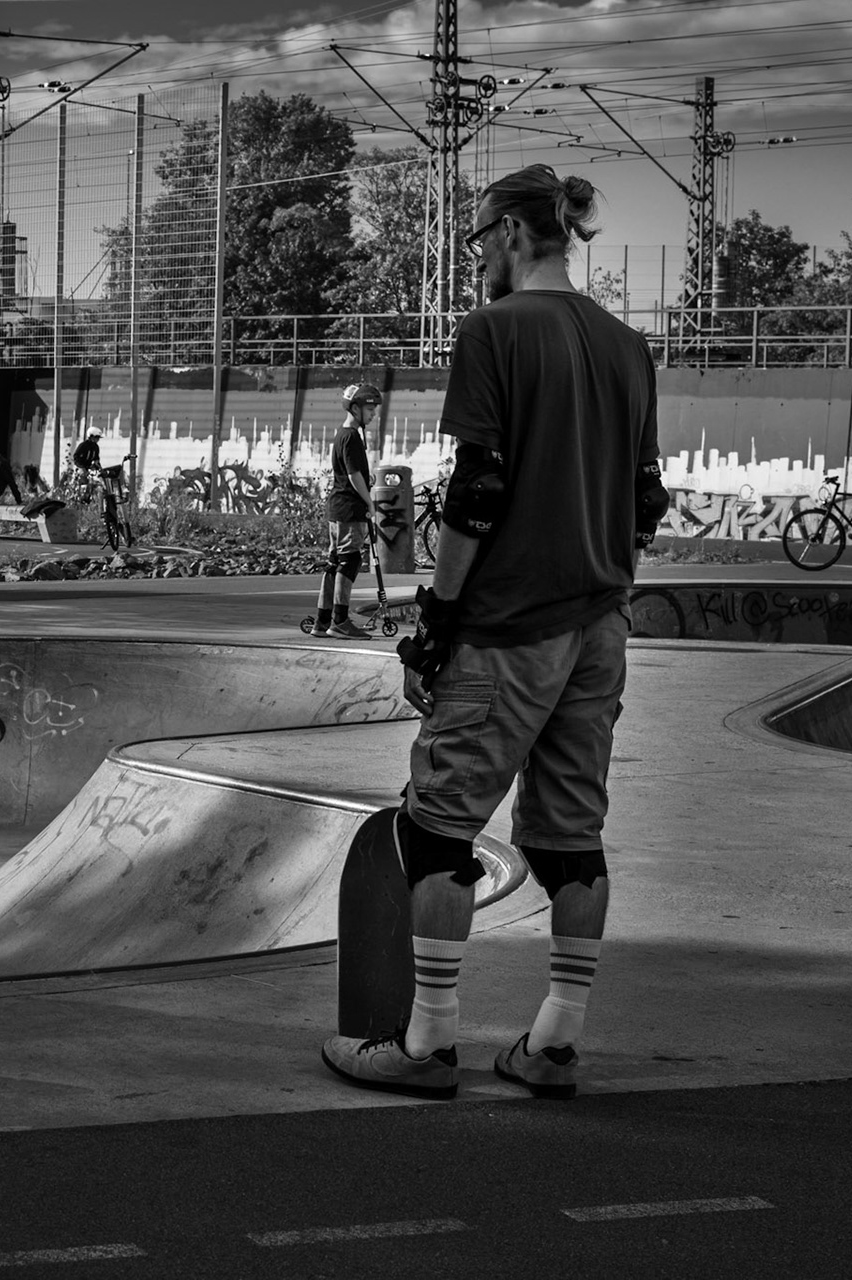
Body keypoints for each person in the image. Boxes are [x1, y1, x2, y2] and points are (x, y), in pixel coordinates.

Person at [321, 164, 664, 1103]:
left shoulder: (494, 332)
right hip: (602, 627)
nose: (475, 257)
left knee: (437, 827)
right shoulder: (630, 346)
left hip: (510, 623)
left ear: (515, 233)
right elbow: (645, 501)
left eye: (479, 238)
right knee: (570, 838)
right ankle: (554, 1042)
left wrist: (436, 620)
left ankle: (428, 1043)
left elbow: (478, 491)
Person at [318, 383, 383, 639]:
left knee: (334, 562)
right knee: (350, 561)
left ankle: (323, 621)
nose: (373, 414)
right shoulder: (352, 436)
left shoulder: (343, 434)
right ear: (355, 408)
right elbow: (354, 475)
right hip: (349, 509)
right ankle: (340, 621)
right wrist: (369, 502)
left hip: (338, 508)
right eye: (369, 408)